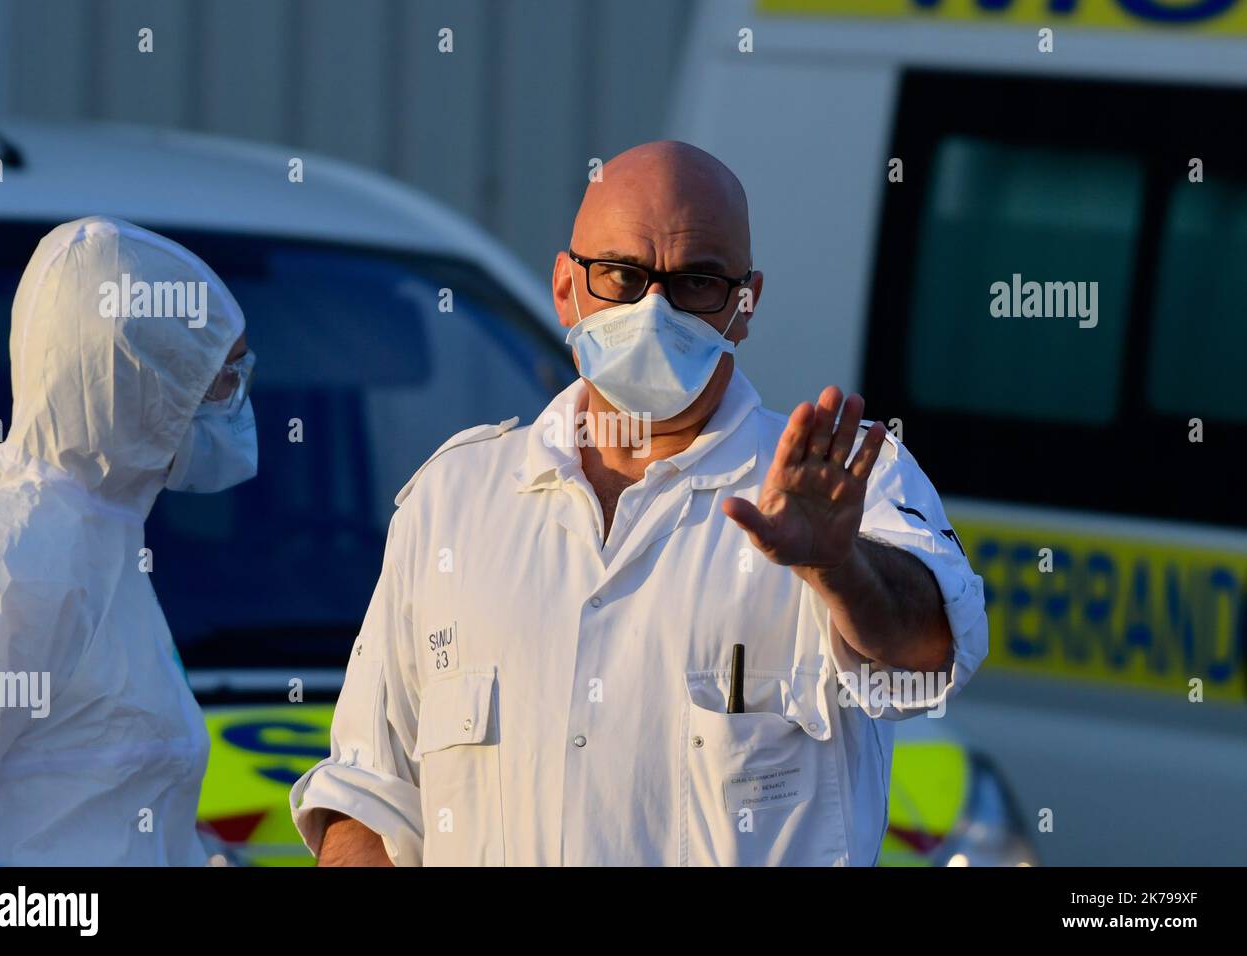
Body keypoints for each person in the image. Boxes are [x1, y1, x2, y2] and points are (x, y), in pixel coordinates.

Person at [290, 142, 988, 866]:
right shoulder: (454, 502)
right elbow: (369, 795)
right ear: (566, 287)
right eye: (622, 275)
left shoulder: (837, 482)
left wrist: (837, 568)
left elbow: (929, 654)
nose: (654, 309)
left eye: (697, 282)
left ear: (744, 304)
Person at [0, 216, 256, 865]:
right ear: (149, 379)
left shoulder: (99, 534)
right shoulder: (11, 552)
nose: (237, 403)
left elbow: (94, 802)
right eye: (224, 378)